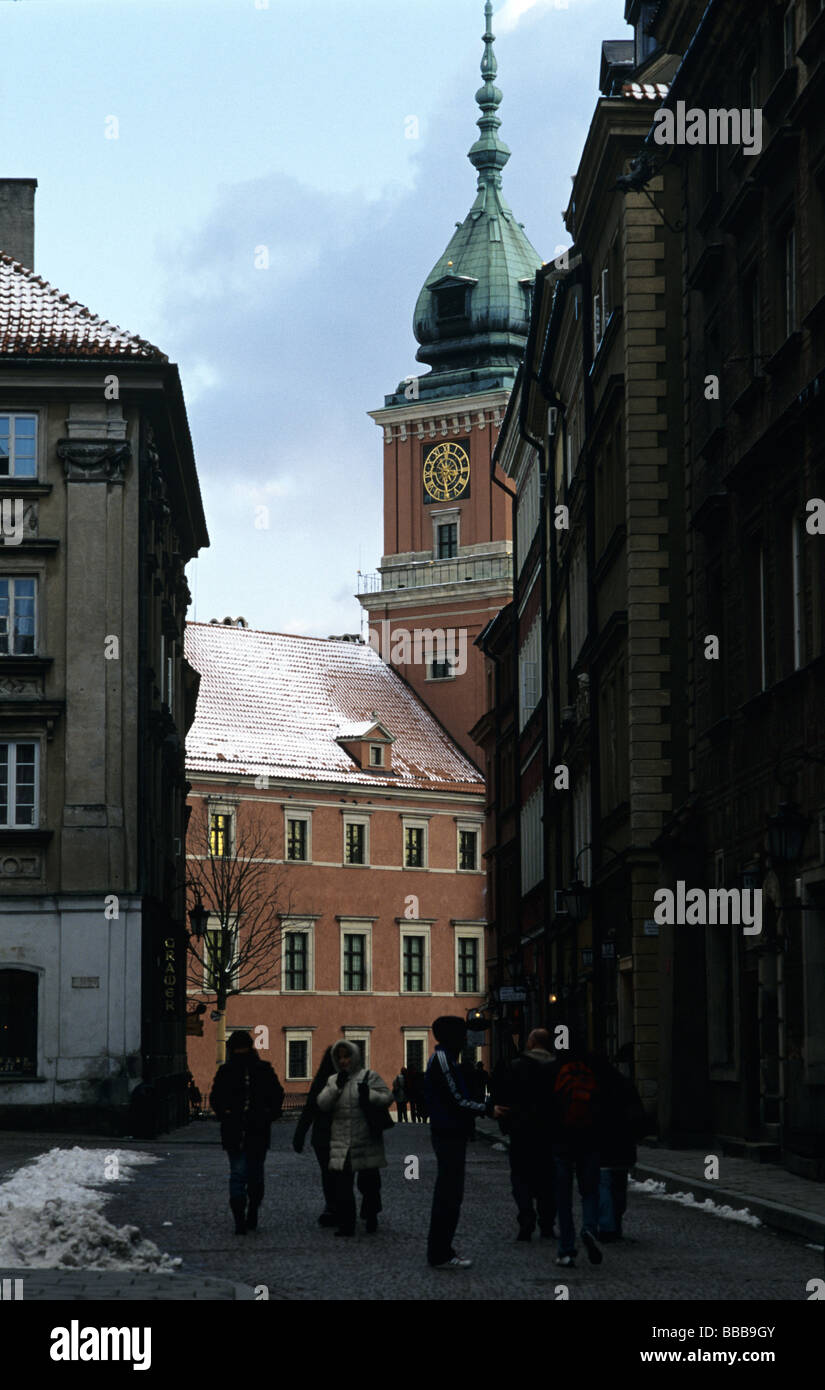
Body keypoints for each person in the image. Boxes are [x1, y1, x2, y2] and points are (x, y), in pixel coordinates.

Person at [423, 1015, 494, 1270]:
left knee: (451, 1194)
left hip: (451, 1133)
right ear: (452, 1037)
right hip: (448, 1133)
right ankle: (440, 1252)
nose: (466, 1038)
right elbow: (457, 1100)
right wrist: (488, 1109)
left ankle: (441, 1249)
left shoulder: (447, 1059)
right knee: (449, 1195)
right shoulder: (443, 1061)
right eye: (462, 1034)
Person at [210, 1030, 284, 1235]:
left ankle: (241, 1217)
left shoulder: (227, 1071)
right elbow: (277, 1096)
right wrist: (269, 1115)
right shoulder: (263, 1069)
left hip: (239, 1131)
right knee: (252, 1175)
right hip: (256, 1132)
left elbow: (216, 1099)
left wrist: (226, 1114)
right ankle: (248, 1213)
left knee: (239, 1175)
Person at [316, 1040, 391, 1236]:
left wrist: (371, 1095)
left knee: (370, 1185)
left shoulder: (369, 1076)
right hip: (342, 1140)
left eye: (346, 1056)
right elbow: (322, 1104)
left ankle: (371, 1215)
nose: (343, 1061)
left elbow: (387, 1098)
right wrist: (335, 1089)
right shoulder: (333, 1080)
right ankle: (346, 1224)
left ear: (355, 1056)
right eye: (339, 1057)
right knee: (343, 1186)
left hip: (366, 1139)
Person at [490, 1028, 557, 1241]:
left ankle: (526, 1217)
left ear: (531, 1043)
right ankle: (547, 1223)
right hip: (549, 1131)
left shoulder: (516, 1066)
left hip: (521, 1131)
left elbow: (503, 1097)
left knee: (520, 1177)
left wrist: (505, 1123)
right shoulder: (556, 1067)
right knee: (548, 1179)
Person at [550, 1047, 603, 1268]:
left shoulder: (557, 1073)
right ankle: (589, 1229)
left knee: (563, 1199)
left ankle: (566, 1250)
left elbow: (549, 1109)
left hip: (562, 1142)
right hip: (589, 1141)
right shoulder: (592, 1073)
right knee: (589, 1192)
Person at [595, 1057, 648, 1241]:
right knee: (618, 1185)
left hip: (601, 1145)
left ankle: (607, 1226)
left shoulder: (594, 1088)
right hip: (623, 1146)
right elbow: (638, 1116)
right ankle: (615, 1221)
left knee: (603, 1185)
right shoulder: (625, 1085)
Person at [293, 1045, 337, 1226]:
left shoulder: (320, 1081)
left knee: (328, 1174)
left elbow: (309, 1109)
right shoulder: (352, 1079)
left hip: (323, 1136)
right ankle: (339, 1207)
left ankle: (332, 1206)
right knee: (342, 1174)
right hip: (332, 1136)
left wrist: (300, 1134)